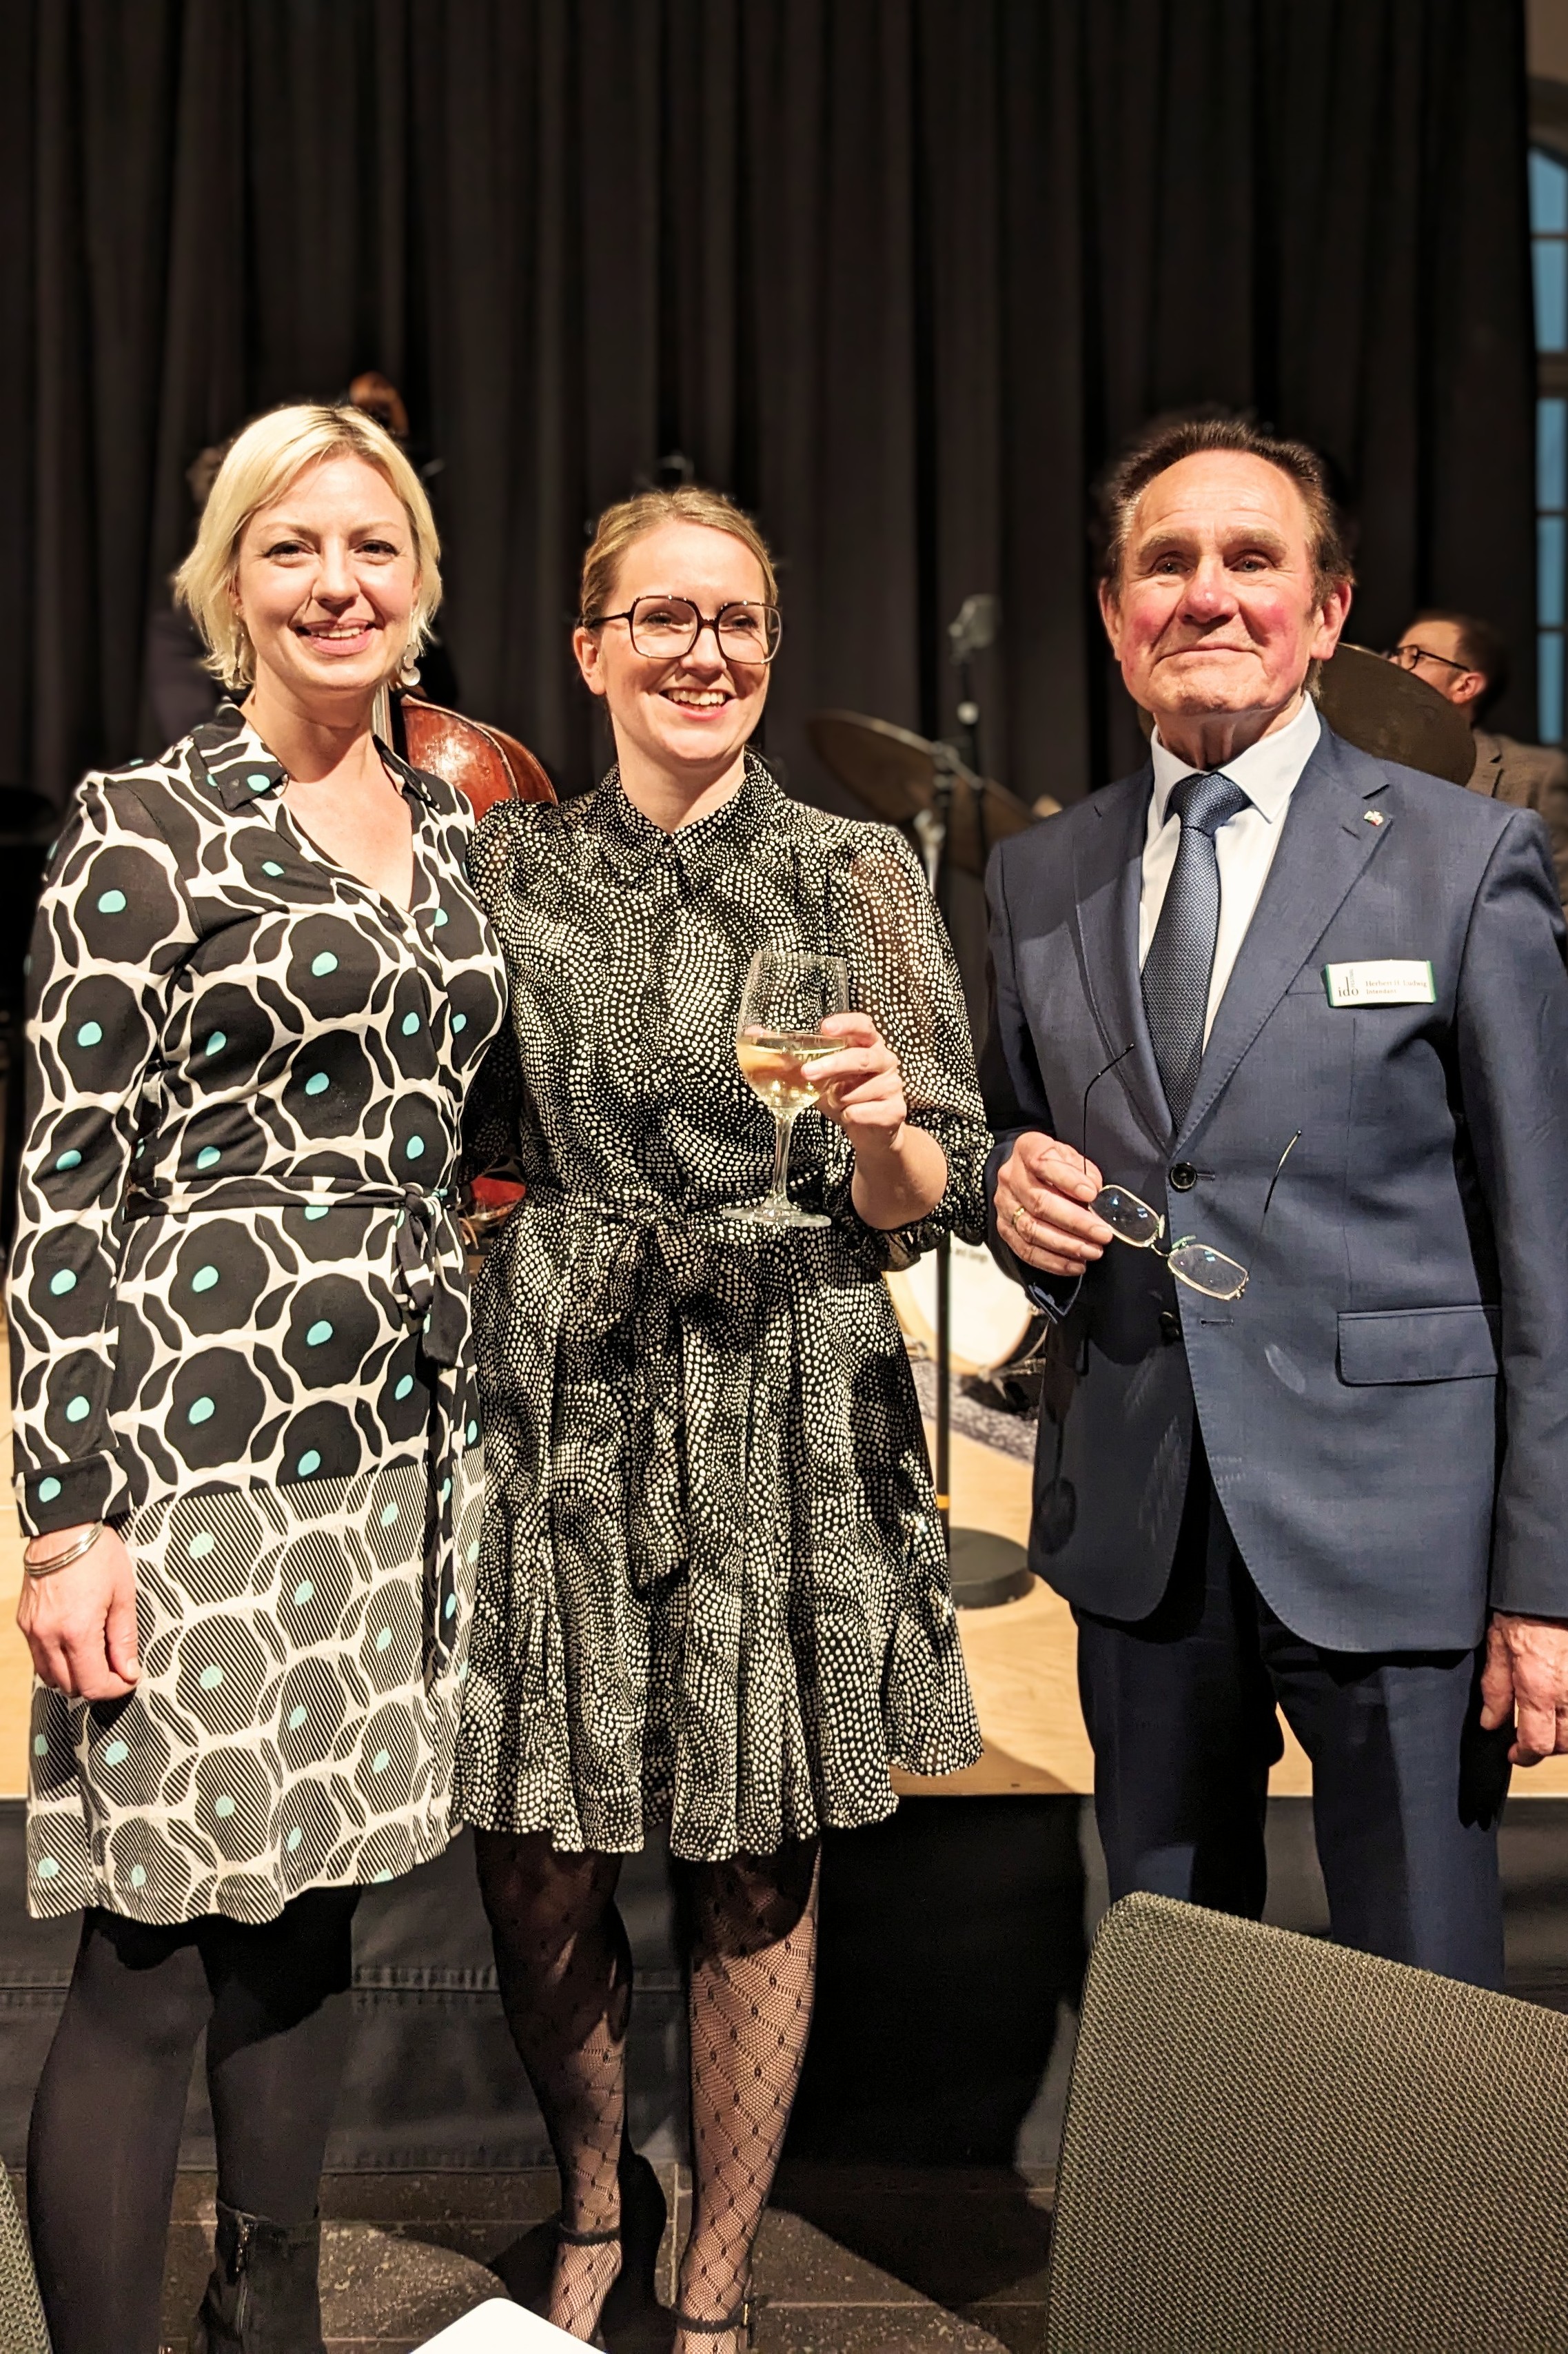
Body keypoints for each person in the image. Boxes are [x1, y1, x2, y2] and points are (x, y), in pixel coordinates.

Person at [460, 484, 986, 2348]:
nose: (706, 651)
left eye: (739, 619)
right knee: (539, 1852)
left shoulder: (855, 869)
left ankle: (712, 2277)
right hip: (566, 1395)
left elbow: (939, 1182)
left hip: (777, 1375)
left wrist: (872, 1125)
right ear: (590, 645)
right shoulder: (505, 872)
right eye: (664, 617)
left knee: (755, 1851)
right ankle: (599, 2193)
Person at [9, 403, 506, 2354]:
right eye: (291, 549)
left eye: (372, 549)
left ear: (420, 590)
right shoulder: (147, 823)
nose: (337, 583)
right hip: (185, 1460)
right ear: (230, 586)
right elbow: (61, 1192)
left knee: (309, 1918)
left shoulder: (454, 823)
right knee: (148, 1950)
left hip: (394, 1452)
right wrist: (67, 1516)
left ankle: (267, 2314)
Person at [984, 414, 1568, 1991]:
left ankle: (1443, 2256)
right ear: (1116, 618)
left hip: (1403, 1527)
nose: (1208, 594)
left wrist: (1546, 1581)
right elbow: (1018, 1136)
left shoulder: (1469, 859)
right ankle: (1193, 2253)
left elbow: (1547, 1252)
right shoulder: (1038, 880)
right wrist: (1001, 1185)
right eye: (1165, 563)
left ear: (1325, 612)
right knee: (1175, 1984)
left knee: (1420, 1988)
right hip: (1146, 1520)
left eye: (1255, 560)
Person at [1389, 611, 1568, 900]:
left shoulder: (1535, 778)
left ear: (1465, 686)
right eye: (1395, 654)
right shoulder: (1359, 761)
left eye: (1414, 656)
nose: (1392, 666)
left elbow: (1563, 906)